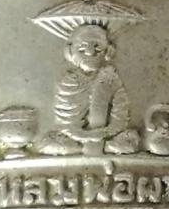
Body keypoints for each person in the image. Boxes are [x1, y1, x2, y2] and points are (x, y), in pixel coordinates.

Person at [36, 24, 139, 156]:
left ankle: (103, 148)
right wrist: (86, 136)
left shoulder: (111, 78)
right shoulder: (69, 81)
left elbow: (121, 116)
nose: (90, 52)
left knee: (130, 140)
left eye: (97, 47)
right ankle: (86, 149)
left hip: (107, 136)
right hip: (74, 139)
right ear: (70, 52)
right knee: (49, 143)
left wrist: (104, 133)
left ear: (109, 51)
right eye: (82, 48)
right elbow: (65, 124)